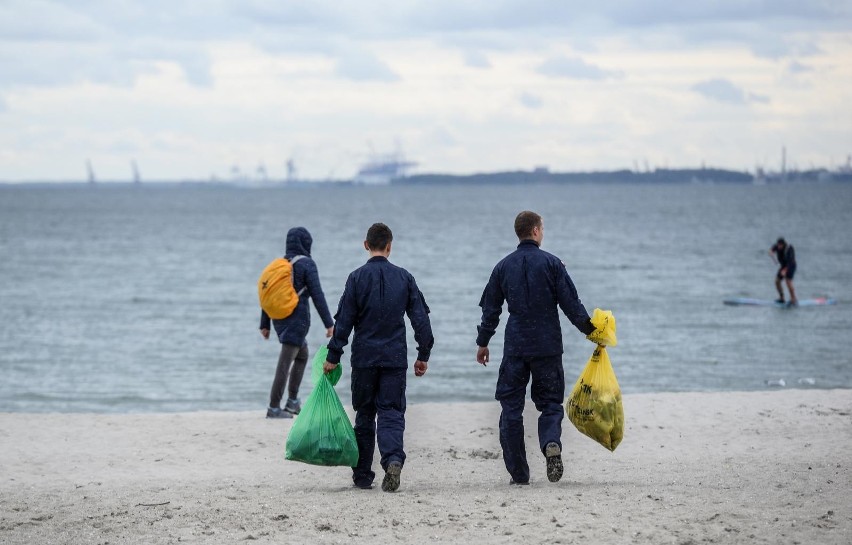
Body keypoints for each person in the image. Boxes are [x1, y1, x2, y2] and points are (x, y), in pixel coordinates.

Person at [476, 210, 597, 486]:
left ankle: (519, 474)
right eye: (542, 228)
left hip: (516, 346)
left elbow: (490, 311)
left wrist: (483, 342)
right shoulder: (553, 264)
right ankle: (551, 442)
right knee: (551, 404)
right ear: (535, 231)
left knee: (511, 409)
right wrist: (592, 332)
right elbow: (572, 305)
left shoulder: (502, 267)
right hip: (547, 346)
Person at [323, 223, 434, 492]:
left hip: (364, 359)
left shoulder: (356, 278)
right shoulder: (405, 277)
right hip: (394, 358)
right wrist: (423, 354)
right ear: (389, 246)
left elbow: (345, 322)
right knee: (391, 412)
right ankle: (393, 459)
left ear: (366, 245)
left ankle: (362, 475)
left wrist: (333, 355)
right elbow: (421, 322)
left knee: (364, 415)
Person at [260, 227, 335, 419]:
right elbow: (318, 295)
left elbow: (269, 295)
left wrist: (265, 324)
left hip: (279, 320)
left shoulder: (280, 265)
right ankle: (274, 407)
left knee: (302, 354)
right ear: (305, 243)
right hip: (297, 320)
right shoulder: (306, 264)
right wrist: (329, 324)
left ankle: (292, 401)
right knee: (285, 363)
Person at [769, 237, 797, 305]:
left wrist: (785, 270)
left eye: (780, 245)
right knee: (777, 281)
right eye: (778, 245)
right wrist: (771, 253)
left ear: (783, 244)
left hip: (791, 266)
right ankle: (782, 298)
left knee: (788, 281)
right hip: (783, 266)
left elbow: (790, 261)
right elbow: (771, 250)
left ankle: (793, 299)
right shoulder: (777, 246)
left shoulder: (789, 249)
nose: (778, 247)